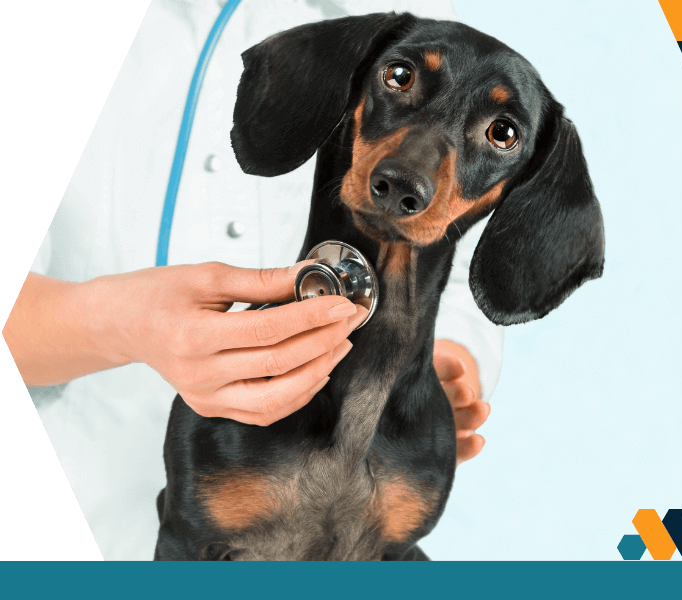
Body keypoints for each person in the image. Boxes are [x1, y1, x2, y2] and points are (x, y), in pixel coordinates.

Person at [4, 0, 502, 560]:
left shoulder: (407, 28)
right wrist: (124, 328)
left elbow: (451, 257)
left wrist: (436, 363)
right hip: (90, 492)